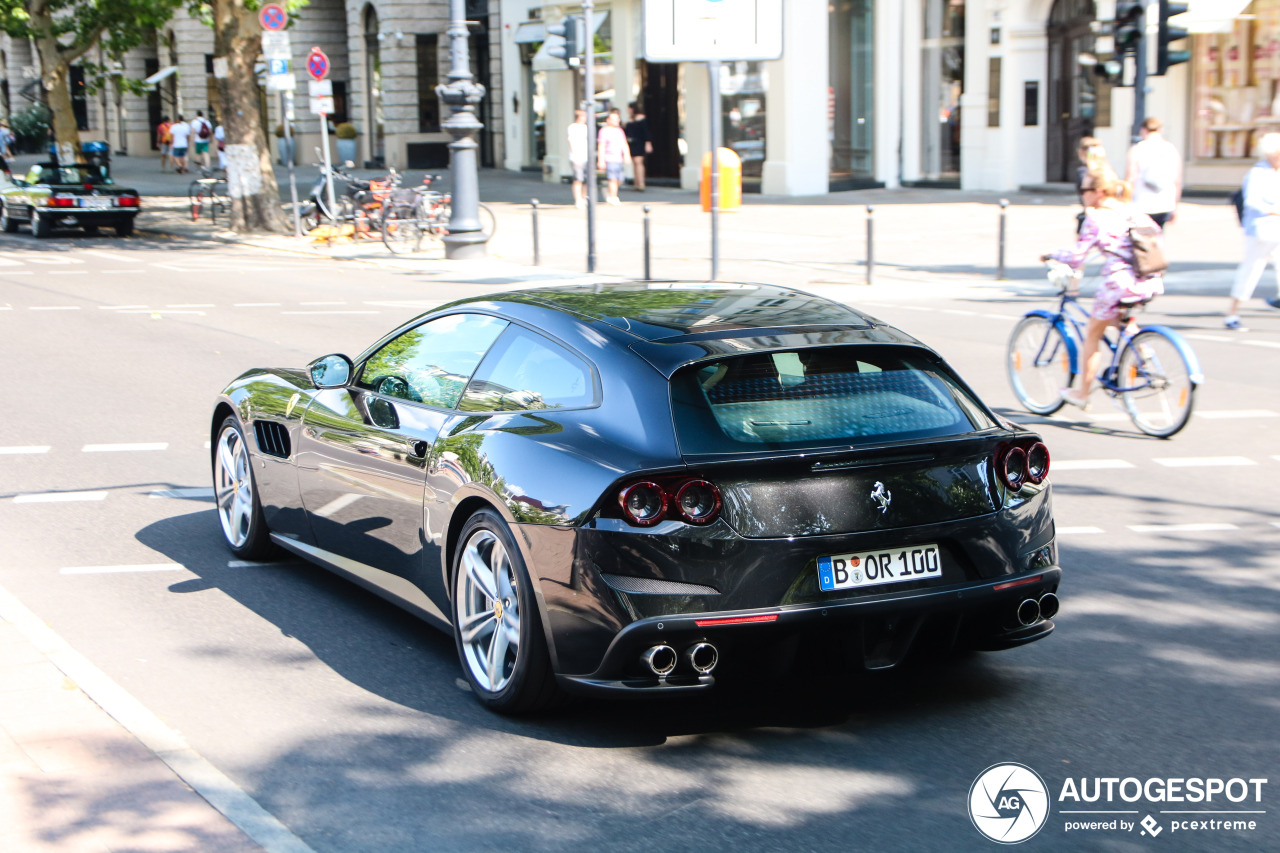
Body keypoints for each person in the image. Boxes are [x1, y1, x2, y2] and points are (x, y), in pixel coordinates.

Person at [1043, 164, 1164, 408]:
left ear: (1099, 192)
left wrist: (1051, 254)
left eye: (1085, 188)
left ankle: (1082, 394)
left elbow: (1077, 256)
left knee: (1092, 334)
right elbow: (1155, 234)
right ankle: (1142, 351)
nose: (1082, 193)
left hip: (1119, 283)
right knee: (1120, 317)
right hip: (1149, 280)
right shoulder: (1131, 210)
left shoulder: (1096, 216)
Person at [1225, 132, 1280, 330]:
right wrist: (1273, 211)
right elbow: (1252, 202)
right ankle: (1232, 313)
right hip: (1261, 231)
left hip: (1276, 230)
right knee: (1251, 271)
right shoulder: (1257, 173)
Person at [1125, 117, 1182, 229]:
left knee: (1141, 241)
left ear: (1143, 130)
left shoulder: (1137, 149)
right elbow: (1177, 180)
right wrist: (1175, 206)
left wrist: (1126, 202)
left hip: (1141, 202)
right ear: (1160, 130)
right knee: (1157, 240)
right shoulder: (1171, 149)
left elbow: (1130, 177)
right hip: (1165, 202)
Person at [597, 109, 631, 206]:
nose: (617, 121)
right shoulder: (604, 131)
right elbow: (601, 146)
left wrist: (627, 155)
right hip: (609, 158)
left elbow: (624, 144)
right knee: (613, 179)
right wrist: (601, 160)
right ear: (608, 120)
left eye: (617, 119)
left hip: (618, 158)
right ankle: (613, 197)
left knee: (620, 179)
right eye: (614, 119)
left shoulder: (620, 131)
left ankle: (607, 190)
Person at [625, 102, 653, 191]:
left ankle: (641, 183)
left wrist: (648, 143)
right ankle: (636, 183)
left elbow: (646, 132)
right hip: (632, 143)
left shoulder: (641, 119)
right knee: (635, 163)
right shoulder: (630, 120)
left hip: (639, 142)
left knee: (638, 162)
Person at [567, 109, 589, 209]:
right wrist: (575, 156)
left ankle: (584, 198)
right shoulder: (572, 127)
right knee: (578, 179)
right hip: (577, 156)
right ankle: (578, 199)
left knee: (586, 179)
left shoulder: (586, 127)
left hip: (586, 156)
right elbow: (571, 141)